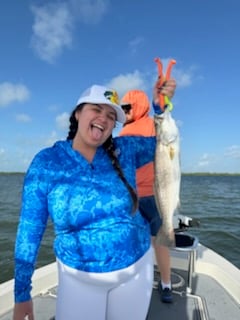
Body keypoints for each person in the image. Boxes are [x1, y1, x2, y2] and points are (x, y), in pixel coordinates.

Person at [13, 84, 165, 320]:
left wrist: (161, 109)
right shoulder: (47, 162)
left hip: (136, 269)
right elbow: (29, 230)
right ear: (77, 113)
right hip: (78, 278)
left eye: (111, 116)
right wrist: (22, 293)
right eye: (96, 109)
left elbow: (166, 142)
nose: (103, 119)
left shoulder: (126, 149)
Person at [119, 78, 176, 303]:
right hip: (132, 197)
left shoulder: (154, 123)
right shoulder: (122, 132)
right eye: (122, 108)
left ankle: (166, 283)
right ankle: (137, 282)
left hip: (155, 195)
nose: (124, 112)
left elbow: (164, 113)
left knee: (160, 242)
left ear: (139, 105)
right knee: (135, 241)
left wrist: (161, 102)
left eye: (127, 107)